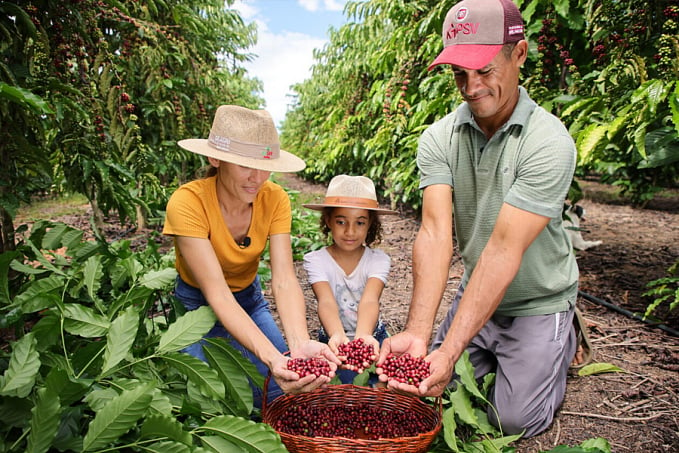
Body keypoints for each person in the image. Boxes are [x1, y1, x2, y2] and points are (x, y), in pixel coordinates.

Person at [376, 0, 581, 438]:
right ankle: (484, 347)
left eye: (484, 70)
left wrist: (449, 351)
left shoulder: (548, 142)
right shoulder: (438, 138)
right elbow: (434, 233)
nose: (471, 87)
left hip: (536, 302)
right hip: (479, 293)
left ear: (519, 54)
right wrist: (418, 332)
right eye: (459, 74)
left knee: (511, 420)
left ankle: (561, 340)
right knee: (431, 387)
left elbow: (504, 249)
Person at [162, 105, 340, 408]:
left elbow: (283, 278)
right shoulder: (188, 203)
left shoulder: (274, 198)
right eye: (245, 165)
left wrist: (297, 344)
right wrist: (272, 357)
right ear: (215, 158)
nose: (257, 178)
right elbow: (216, 293)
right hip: (195, 307)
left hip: (248, 299)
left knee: (279, 394)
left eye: (264, 165)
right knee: (204, 402)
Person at [302, 175, 398, 384]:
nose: (350, 231)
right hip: (333, 340)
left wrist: (363, 336)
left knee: (380, 391)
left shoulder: (378, 260)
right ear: (328, 220)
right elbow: (325, 300)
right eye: (341, 221)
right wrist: (337, 335)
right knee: (344, 393)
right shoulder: (316, 260)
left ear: (370, 223)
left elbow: (370, 299)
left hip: (373, 337)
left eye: (360, 222)